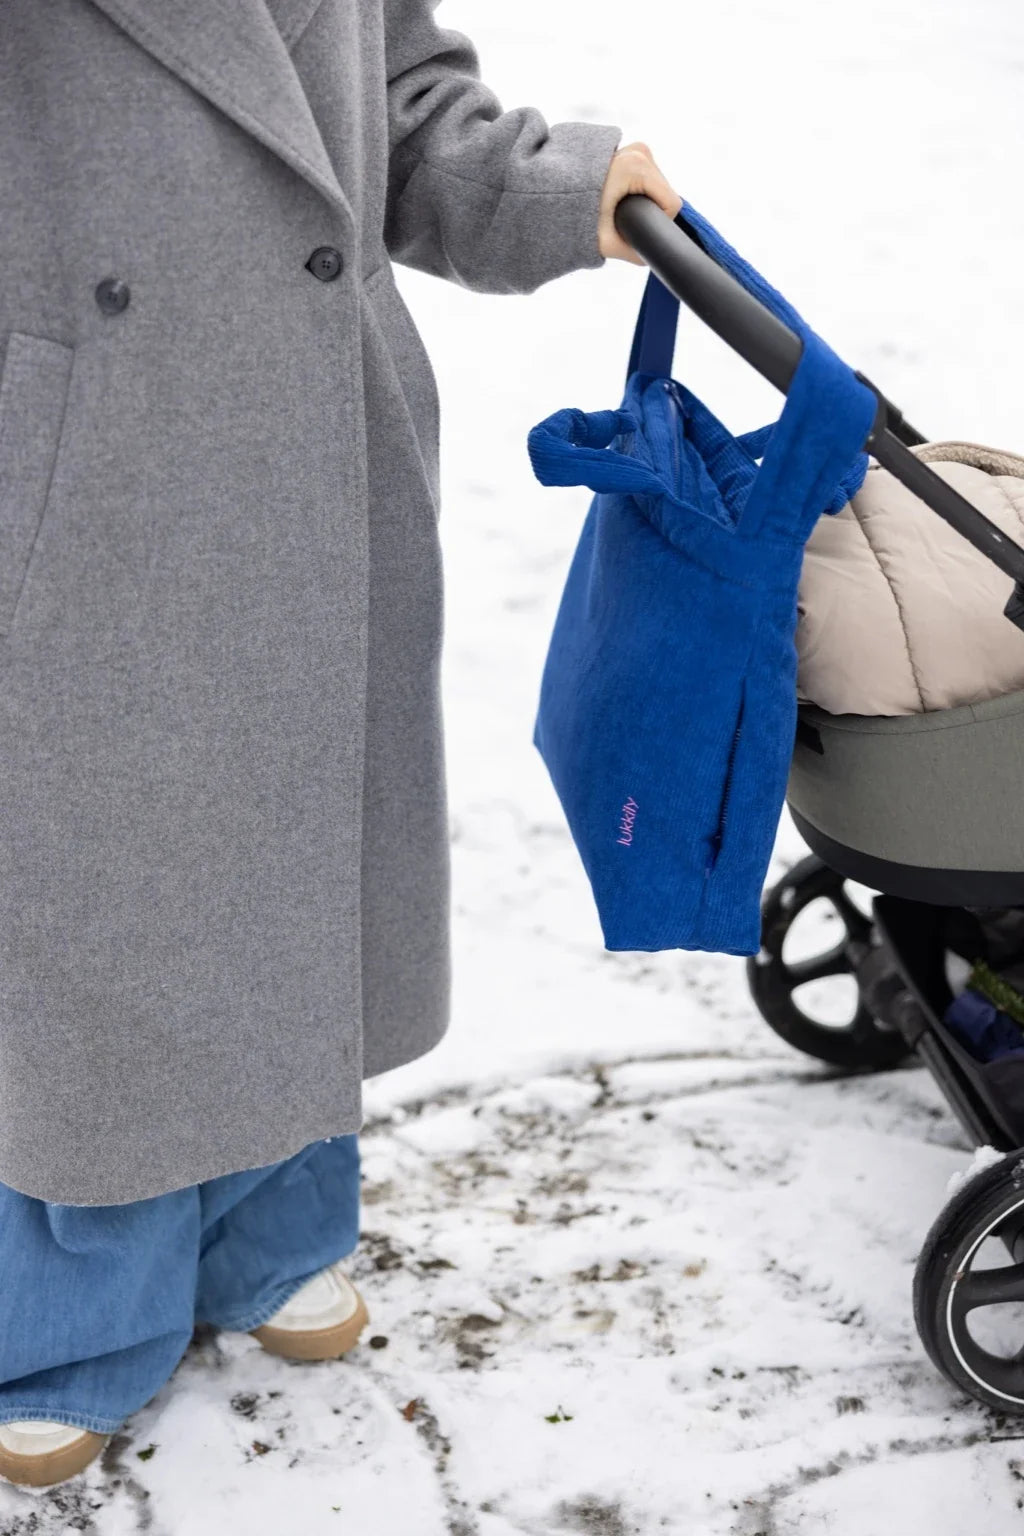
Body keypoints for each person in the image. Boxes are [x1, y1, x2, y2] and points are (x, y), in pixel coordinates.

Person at [0, 0, 681, 1490]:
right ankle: (74, 1309)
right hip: (79, 438)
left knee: (296, 836)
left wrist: (565, 189)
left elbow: (401, 101)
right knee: (98, 891)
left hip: (314, 429)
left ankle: (272, 1228)